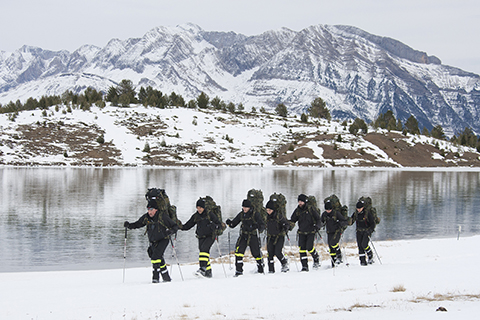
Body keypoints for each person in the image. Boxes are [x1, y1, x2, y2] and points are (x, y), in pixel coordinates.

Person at [124, 199, 179, 283]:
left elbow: (174, 226)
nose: (149, 212)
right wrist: (129, 225)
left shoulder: (162, 216)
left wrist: (171, 231)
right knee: (157, 257)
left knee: (155, 257)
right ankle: (166, 277)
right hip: (153, 241)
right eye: (148, 209)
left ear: (156, 210)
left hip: (163, 240)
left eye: (151, 209)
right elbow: (138, 224)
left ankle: (155, 278)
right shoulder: (146, 217)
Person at [181, 199, 221, 278]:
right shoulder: (196, 216)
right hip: (201, 237)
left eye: (200, 208)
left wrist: (215, 226)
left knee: (204, 250)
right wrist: (179, 227)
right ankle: (208, 272)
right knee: (204, 254)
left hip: (210, 236)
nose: (199, 209)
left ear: (203, 207)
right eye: (197, 207)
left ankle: (202, 269)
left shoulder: (210, 214)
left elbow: (219, 224)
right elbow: (188, 225)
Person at [225, 199, 265, 277]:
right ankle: (239, 271)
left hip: (253, 236)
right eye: (243, 207)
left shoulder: (255, 214)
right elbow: (234, 224)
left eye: (246, 207)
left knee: (256, 253)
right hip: (243, 236)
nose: (244, 209)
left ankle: (260, 268)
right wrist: (230, 223)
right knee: (238, 252)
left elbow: (262, 225)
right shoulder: (241, 214)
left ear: (249, 207)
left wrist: (258, 227)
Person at [290, 194, 322, 271]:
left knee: (309, 247)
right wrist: (287, 225)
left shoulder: (311, 209)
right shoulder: (297, 210)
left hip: (311, 231)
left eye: (301, 201)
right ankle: (304, 266)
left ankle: (316, 258)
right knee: (302, 250)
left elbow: (318, 219)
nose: (300, 203)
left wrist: (317, 226)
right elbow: (293, 220)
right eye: (299, 201)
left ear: (305, 202)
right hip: (301, 232)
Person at [320, 200, 349, 267]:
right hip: (329, 232)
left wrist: (339, 223)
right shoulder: (324, 214)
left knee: (333, 243)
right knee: (330, 247)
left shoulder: (336, 213)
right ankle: (333, 261)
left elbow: (345, 222)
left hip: (337, 231)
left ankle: (339, 255)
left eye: (329, 209)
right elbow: (321, 221)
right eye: (327, 209)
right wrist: (319, 225)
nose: (328, 211)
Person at [265, 200, 291, 273]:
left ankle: (284, 263)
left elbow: (287, 224)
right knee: (270, 254)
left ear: (273, 210)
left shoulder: (278, 216)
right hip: (270, 237)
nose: (268, 212)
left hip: (279, 236)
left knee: (277, 252)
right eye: (267, 210)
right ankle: (271, 270)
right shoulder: (266, 217)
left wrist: (284, 228)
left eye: (269, 210)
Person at [351, 200, 376, 266]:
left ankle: (370, 255)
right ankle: (362, 261)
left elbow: (373, 224)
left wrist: (370, 230)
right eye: (357, 208)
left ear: (362, 208)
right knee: (360, 247)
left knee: (364, 244)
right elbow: (351, 221)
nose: (358, 210)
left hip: (366, 231)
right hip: (359, 232)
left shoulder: (367, 214)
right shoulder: (355, 214)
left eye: (360, 208)